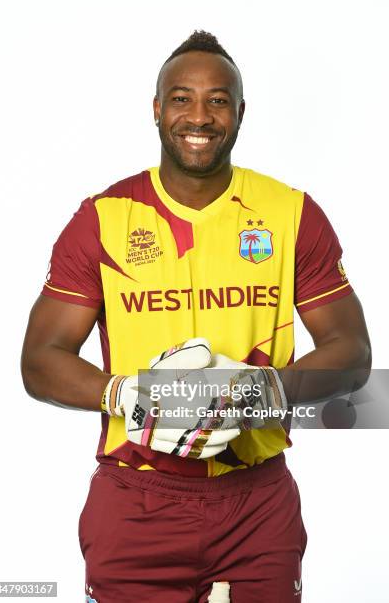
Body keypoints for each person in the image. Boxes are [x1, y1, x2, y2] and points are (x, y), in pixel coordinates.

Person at [21, 30, 371, 602]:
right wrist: (128, 396)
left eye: (218, 100)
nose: (199, 116)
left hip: (255, 504)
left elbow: (352, 352)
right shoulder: (103, 218)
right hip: (137, 500)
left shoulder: (290, 213)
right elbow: (39, 361)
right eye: (182, 98)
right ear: (157, 109)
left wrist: (257, 393)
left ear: (239, 112)